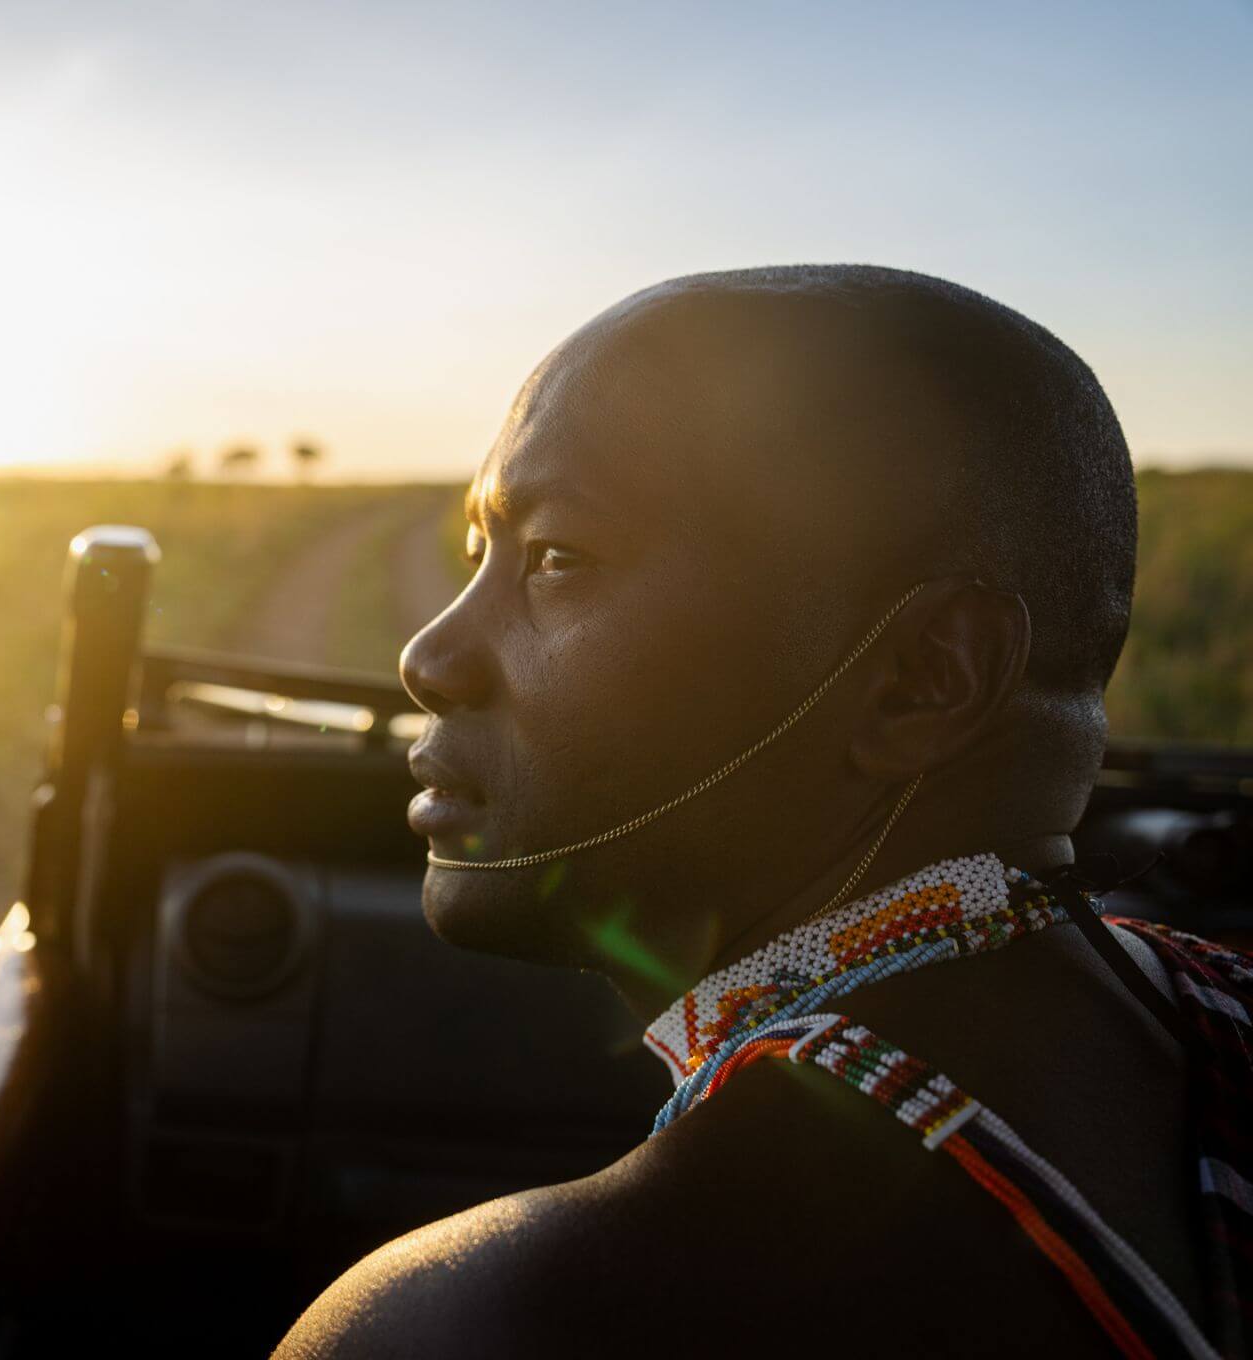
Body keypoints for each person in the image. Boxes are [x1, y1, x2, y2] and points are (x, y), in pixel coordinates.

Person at [273, 265, 1253, 1358]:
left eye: (556, 557)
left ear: (922, 677)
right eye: (475, 555)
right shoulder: (1213, 1021)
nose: (429, 655)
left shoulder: (501, 1323)